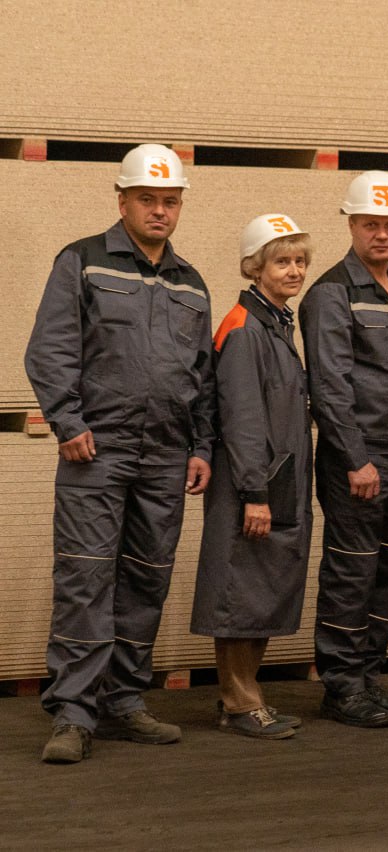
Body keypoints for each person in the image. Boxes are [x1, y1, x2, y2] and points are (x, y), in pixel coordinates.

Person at [25, 144, 215, 764]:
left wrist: (201, 445)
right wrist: (66, 421)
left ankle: (124, 701)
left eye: (170, 201)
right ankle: (73, 714)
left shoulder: (190, 282)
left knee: (146, 578)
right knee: (85, 578)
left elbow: (203, 377)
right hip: (96, 449)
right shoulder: (82, 260)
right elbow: (51, 347)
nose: (160, 211)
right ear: (123, 200)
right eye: (147, 200)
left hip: (165, 454)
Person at [300, 171, 388, 729]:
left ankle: (369, 676)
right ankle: (342, 685)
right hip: (360, 459)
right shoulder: (331, 293)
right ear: (351, 224)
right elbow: (329, 387)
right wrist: (355, 459)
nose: (382, 234)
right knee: (352, 571)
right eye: (371, 224)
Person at [190, 214, 314, 739]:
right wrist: (254, 494)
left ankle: (244, 699)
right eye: (282, 261)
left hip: (273, 482)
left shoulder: (276, 323)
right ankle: (240, 703)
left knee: (259, 590)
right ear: (254, 267)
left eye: (300, 261)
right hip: (253, 485)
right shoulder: (243, 329)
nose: (294, 270)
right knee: (240, 592)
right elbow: (241, 420)